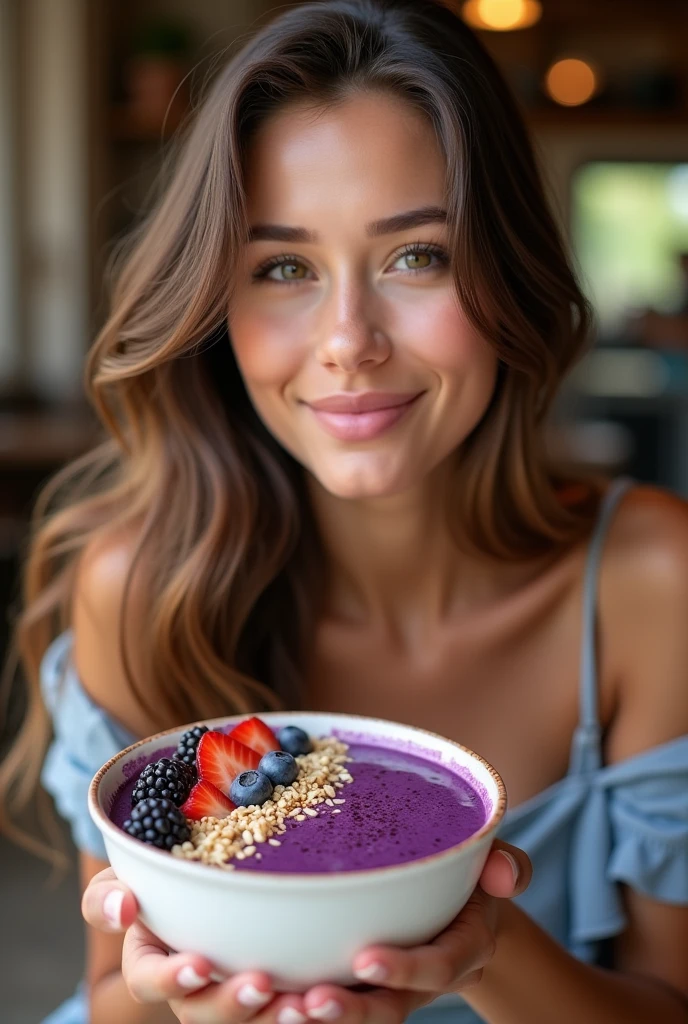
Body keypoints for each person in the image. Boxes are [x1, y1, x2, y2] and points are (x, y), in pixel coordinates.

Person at [1, 1, 687, 1022]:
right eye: (282, 267)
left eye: (417, 256)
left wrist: (477, 945)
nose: (347, 340)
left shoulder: (650, 586)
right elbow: (111, 995)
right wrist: (172, 995)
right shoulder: (141, 587)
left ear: (507, 271)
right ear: (213, 309)